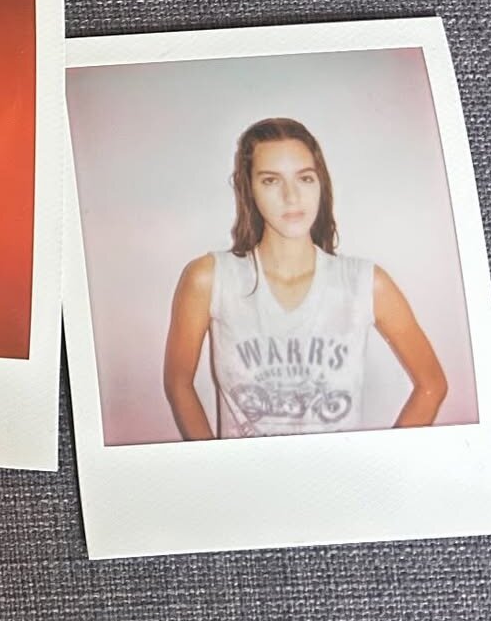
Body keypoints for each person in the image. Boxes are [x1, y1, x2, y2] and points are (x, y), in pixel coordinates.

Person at [163, 117, 447, 439]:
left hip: (337, 471)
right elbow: (178, 383)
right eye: (271, 180)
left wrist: (382, 459)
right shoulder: (211, 279)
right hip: (249, 472)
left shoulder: (364, 283)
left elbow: (432, 385)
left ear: (321, 183)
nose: (292, 196)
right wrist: (214, 464)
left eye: (305, 178)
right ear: (248, 189)